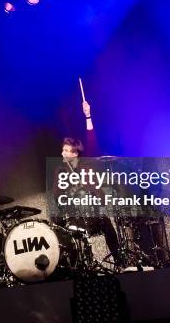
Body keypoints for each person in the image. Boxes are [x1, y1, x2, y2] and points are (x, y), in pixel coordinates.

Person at [57, 100, 123, 269]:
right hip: (75, 218)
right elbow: (58, 197)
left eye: (66, 150)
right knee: (68, 233)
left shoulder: (86, 165)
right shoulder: (60, 172)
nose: (62, 153)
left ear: (75, 153)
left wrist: (88, 115)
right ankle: (78, 268)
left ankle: (120, 263)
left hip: (92, 214)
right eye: (63, 150)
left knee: (107, 225)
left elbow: (91, 140)